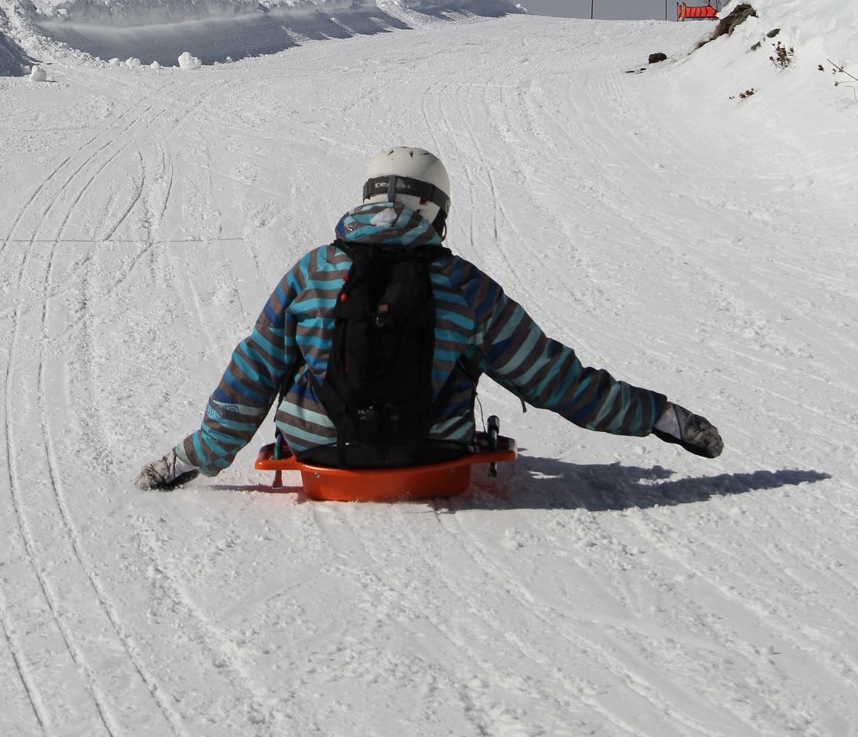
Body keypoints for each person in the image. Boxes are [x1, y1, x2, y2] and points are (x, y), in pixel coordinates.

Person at [137, 146, 722, 490]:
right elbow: (550, 377)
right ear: (437, 213)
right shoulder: (464, 286)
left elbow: (253, 374)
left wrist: (190, 458)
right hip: (434, 460)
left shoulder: (312, 273)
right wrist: (659, 417)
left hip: (321, 461)